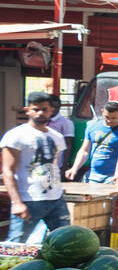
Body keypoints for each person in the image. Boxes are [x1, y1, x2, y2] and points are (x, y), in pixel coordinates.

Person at [2, 92, 70, 242]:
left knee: (65, 241)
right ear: (28, 110)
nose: (40, 113)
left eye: (44, 109)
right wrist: (16, 202)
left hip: (56, 199)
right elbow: (8, 171)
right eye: (36, 109)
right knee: (16, 244)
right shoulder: (16, 135)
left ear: (51, 110)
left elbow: (54, 167)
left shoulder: (57, 137)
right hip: (28, 199)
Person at [67, 101, 118, 184]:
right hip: (93, 175)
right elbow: (85, 151)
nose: (109, 121)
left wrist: (117, 176)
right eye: (107, 117)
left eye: (113, 118)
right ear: (102, 111)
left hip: (112, 177)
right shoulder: (92, 128)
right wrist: (74, 168)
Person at [48, 96, 75, 173]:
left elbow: (68, 145)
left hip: (57, 164)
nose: (53, 109)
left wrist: (64, 166)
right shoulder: (43, 121)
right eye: (51, 106)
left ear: (59, 107)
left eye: (55, 107)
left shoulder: (66, 123)